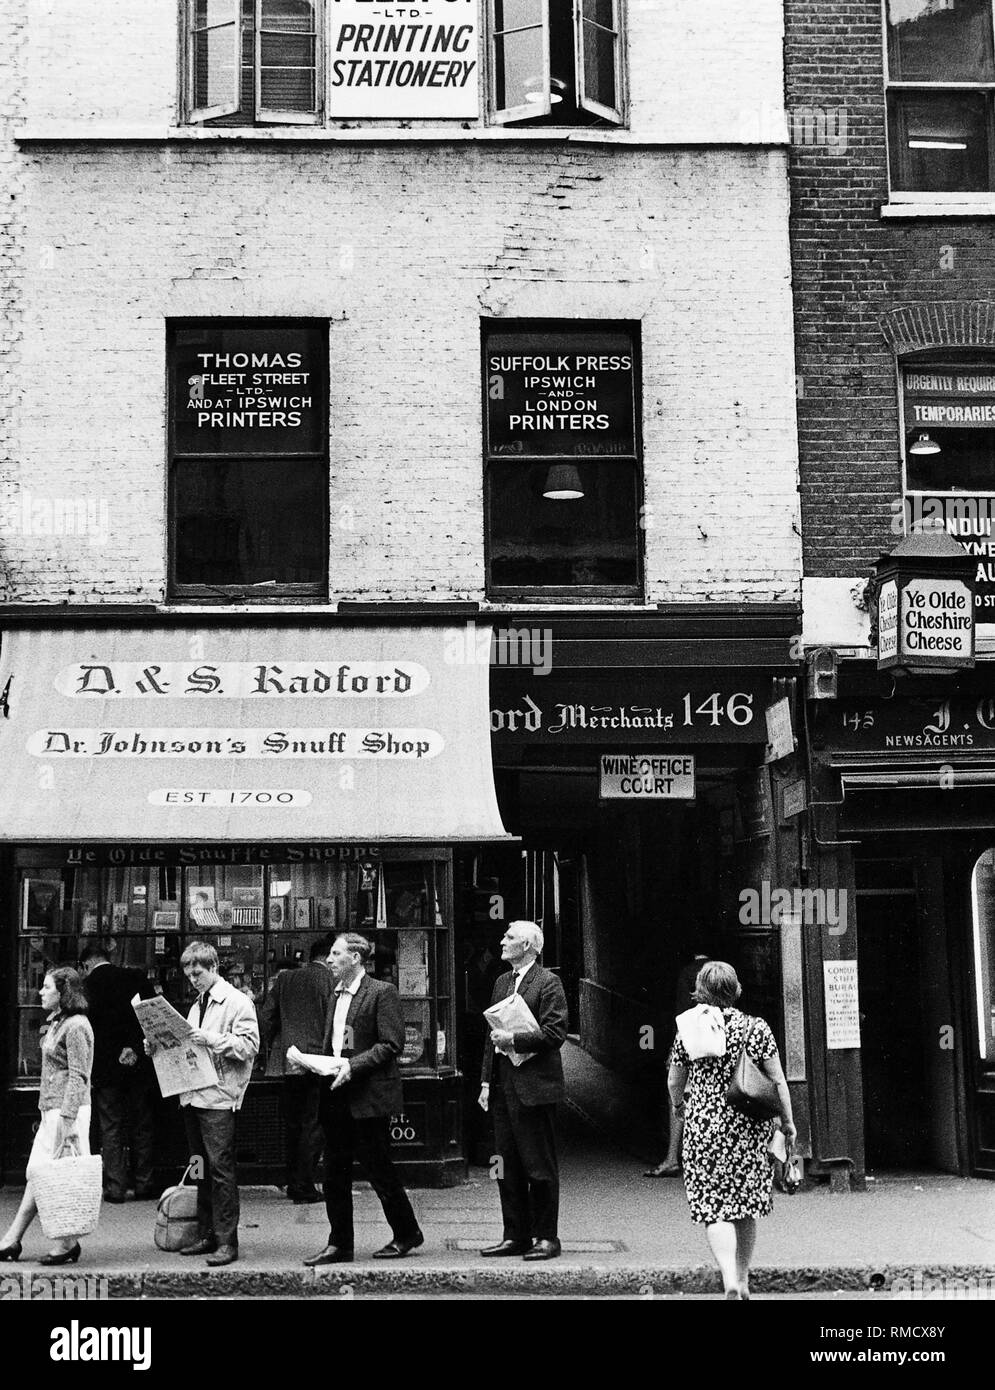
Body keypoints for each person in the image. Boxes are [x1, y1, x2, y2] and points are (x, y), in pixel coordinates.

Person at [668, 960, 797, 1300]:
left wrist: (680, 1107)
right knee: (746, 1205)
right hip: (749, 1127)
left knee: (715, 1207)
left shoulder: (689, 1029)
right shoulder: (757, 1028)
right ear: (735, 989)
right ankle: (743, 1277)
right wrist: (788, 1123)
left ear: (700, 990)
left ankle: (728, 1279)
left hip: (705, 1128)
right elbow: (778, 1080)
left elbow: (674, 1080)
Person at [303, 933, 424, 1265]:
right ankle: (339, 1243)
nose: (328, 959)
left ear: (355, 958)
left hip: (368, 1096)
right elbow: (337, 1045)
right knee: (334, 1172)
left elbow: (391, 1044)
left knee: (379, 1169)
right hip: (335, 1093)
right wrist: (317, 1061)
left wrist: (352, 1067)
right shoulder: (335, 994)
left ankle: (406, 1232)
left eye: (335, 953)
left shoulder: (381, 993)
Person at [146, 942, 259, 1267]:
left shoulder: (237, 1002)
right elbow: (190, 1044)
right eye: (188, 973)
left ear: (213, 968)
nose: (193, 979)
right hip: (193, 1095)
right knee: (200, 1167)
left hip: (219, 1098)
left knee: (221, 1169)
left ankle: (227, 1241)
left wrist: (209, 1039)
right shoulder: (198, 1005)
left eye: (197, 972)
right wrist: (157, 1045)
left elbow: (249, 1047)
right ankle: (208, 1234)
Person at [478, 920, 568, 1261]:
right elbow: (492, 1034)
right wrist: (486, 1081)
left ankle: (546, 1237)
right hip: (504, 1088)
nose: (502, 941)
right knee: (506, 1163)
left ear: (528, 946)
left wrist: (514, 1038)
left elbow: (556, 1032)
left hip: (535, 1087)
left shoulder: (548, 983)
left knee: (539, 1165)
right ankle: (514, 1234)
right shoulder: (502, 981)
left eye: (510, 937)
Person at [0, 967, 95, 1265]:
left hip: (69, 1111)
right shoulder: (58, 1023)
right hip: (53, 1110)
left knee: (52, 1176)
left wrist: (67, 1121)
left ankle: (58, 1242)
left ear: (63, 992)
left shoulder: (77, 1025)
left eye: (46, 987)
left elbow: (79, 1075)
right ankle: (15, 1238)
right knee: (40, 1173)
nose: (40, 992)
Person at [79, 944, 157, 1203]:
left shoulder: (87, 987)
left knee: (110, 1126)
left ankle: (115, 1186)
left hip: (104, 1067)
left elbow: (87, 1029)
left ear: (86, 965)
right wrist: (133, 1048)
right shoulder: (135, 978)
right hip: (138, 1063)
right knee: (142, 1123)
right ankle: (144, 1182)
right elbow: (152, 1017)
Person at [259, 939, 332, 1203]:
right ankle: (304, 1185)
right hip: (320, 1063)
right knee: (314, 1125)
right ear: (328, 956)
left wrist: (269, 1048)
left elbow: (267, 1018)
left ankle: (293, 1182)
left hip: (288, 1063)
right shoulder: (330, 980)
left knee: (293, 1125)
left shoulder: (285, 979)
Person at [645, 949, 710, 1177]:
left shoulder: (686, 974)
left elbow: (681, 1015)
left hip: (693, 1046)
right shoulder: (723, 972)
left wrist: (674, 1053)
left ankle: (673, 1157)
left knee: (679, 1097)